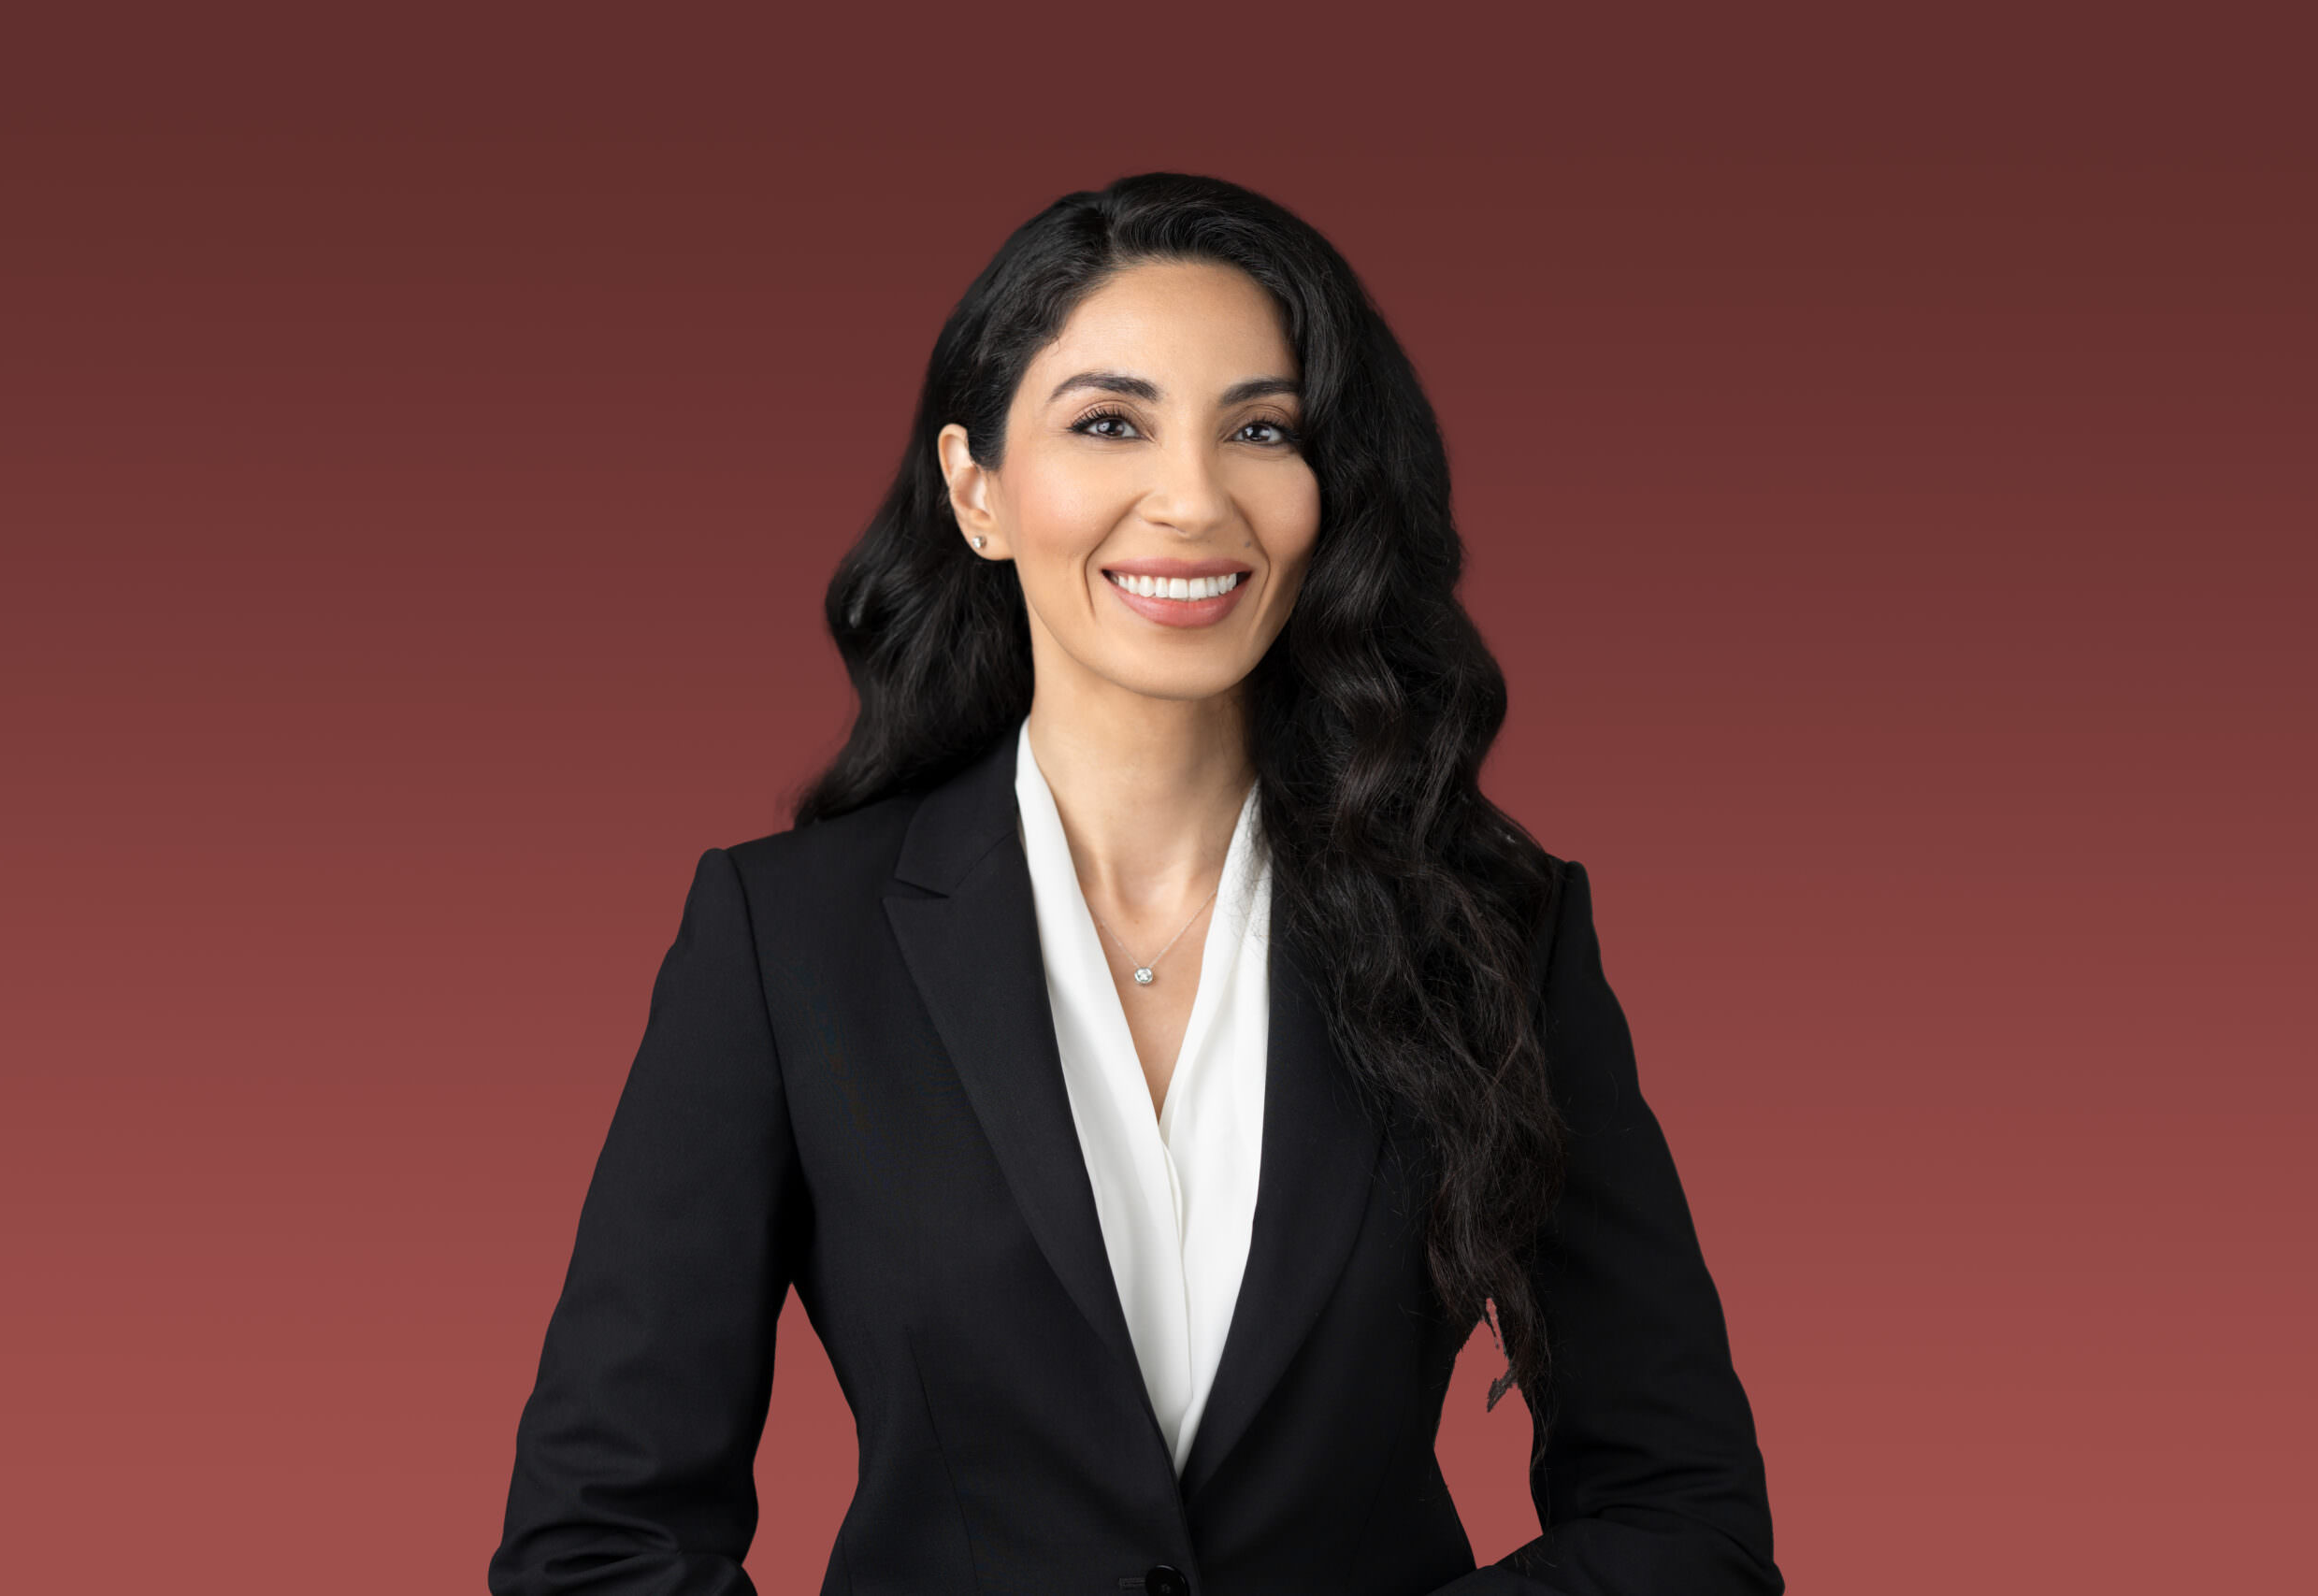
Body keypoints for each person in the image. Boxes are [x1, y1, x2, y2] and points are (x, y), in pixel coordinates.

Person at [489, 172, 1782, 1596]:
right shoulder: (788, 940)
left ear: (1324, 491)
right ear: (976, 491)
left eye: (1260, 429)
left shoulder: (1491, 929)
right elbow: (598, 1541)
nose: (1191, 498)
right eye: (1110, 423)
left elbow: (1683, 1515)